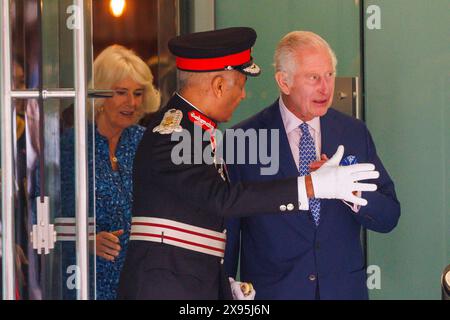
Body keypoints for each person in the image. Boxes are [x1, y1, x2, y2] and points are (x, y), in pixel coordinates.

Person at [117, 27, 380, 300]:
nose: (243, 96)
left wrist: (225, 287)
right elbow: (222, 200)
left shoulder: (195, 130)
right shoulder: (174, 134)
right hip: (166, 288)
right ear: (219, 85)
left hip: (189, 283)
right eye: (240, 86)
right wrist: (310, 186)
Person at [224, 31, 401, 300]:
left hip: (343, 292)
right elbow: (229, 233)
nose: (325, 88)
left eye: (329, 75)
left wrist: (350, 192)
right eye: (313, 77)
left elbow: (389, 215)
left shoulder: (353, 133)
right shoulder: (244, 140)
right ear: (284, 82)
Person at [59, 45, 160, 300]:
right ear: (101, 96)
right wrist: (86, 241)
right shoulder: (74, 145)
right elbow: (45, 217)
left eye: (138, 93)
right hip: (87, 281)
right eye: (121, 93)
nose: (132, 103)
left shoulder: (144, 142)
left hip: (142, 279)